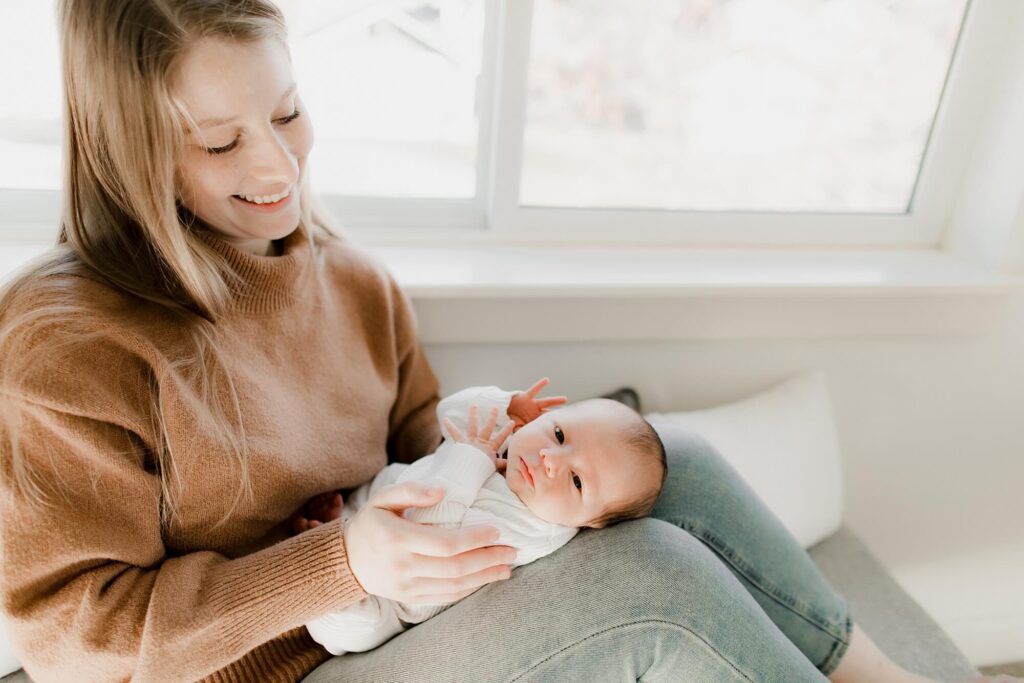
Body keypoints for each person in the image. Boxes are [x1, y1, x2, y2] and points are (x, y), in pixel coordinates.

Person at [0, 1, 1009, 681]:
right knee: (658, 583)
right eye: (218, 142)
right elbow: (66, 636)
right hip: (277, 660)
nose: (277, 165)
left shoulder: (345, 276)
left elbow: (409, 437)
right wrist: (338, 564)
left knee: (661, 456)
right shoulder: (66, 344)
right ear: (128, 153)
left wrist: (488, 435)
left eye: (288, 111)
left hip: (401, 592)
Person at [304, 382, 668, 655]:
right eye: (559, 433)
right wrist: (505, 404)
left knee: (347, 627)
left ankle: (321, 557)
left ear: (591, 523)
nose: (551, 459)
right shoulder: (522, 457)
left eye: (576, 481)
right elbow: (449, 417)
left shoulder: (528, 528)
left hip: (389, 599)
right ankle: (337, 527)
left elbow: (429, 534)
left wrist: (470, 458)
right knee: (374, 488)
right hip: (379, 501)